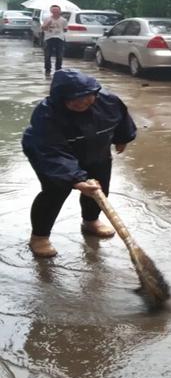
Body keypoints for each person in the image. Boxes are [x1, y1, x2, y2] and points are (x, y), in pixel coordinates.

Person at [22, 69, 137, 258]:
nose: (82, 102)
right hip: (51, 154)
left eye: (86, 97)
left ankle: (91, 221)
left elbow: (122, 118)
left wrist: (122, 138)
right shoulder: (47, 114)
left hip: (96, 149)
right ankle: (39, 237)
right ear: (61, 98)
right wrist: (75, 179)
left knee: (99, 190)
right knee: (55, 192)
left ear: (94, 92)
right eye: (74, 99)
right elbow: (52, 152)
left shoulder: (108, 101)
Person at [41, 4, 68, 75]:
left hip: (59, 38)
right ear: (51, 11)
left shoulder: (63, 20)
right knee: (47, 55)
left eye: (57, 10)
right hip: (49, 38)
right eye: (53, 10)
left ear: (60, 11)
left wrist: (63, 29)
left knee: (59, 55)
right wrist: (47, 24)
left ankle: (58, 70)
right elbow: (43, 28)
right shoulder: (47, 19)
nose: (55, 12)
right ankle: (47, 70)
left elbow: (65, 29)